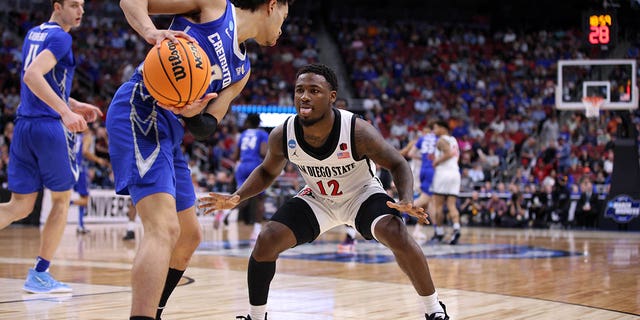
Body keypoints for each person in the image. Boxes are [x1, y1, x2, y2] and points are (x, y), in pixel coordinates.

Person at [200, 64, 449, 320]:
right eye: (299, 90)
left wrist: (406, 198)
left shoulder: (357, 130)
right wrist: (237, 196)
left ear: (332, 97)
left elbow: (397, 162)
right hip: (318, 198)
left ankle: (434, 309)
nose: (304, 96)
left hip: (361, 194)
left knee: (395, 232)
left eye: (314, 90)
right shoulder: (283, 134)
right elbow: (266, 171)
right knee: (267, 240)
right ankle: (256, 315)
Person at [106, 0, 293, 319]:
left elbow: (208, 124)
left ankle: (157, 310)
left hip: (169, 129)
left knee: (189, 235)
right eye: (283, 18)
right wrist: (152, 32)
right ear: (271, 6)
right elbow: (131, 1)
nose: (281, 29)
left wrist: (193, 114)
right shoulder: (214, 6)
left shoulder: (242, 70)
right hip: (140, 109)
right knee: (163, 228)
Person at [0, 0, 102, 293]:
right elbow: (33, 76)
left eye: (82, 5)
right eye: (73, 5)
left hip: (24, 126)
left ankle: (41, 275)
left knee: (18, 206)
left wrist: (73, 103)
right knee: (60, 201)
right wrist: (65, 112)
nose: (80, 11)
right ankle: (40, 274)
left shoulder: (34, 33)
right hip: (48, 129)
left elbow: (36, 81)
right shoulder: (61, 36)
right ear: (57, 6)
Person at [233, 113, 269, 240]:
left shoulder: (243, 134)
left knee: (241, 197)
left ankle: (225, 213)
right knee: (260, 199)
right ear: (258, 123)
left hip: (242, 166)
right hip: (255, 166)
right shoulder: (262, 134)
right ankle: (257, 228)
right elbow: (263, 152)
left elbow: (235, 156)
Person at [71, 127, 109, 234]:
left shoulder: (75, 137)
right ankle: (68, 204)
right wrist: (98, 160)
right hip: (82, 169)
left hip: (73, 168)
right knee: (85, 200)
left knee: (83, 198)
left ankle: (80, 225)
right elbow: (85, 152)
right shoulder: (87, 137)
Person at [430, 120, 462, 245]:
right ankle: (456, 227)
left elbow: (448, 153)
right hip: (455, 173)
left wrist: (436, 162)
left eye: (436, 128)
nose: (434, 131)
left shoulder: (441, 140)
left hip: (443, 173)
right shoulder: (454, 140)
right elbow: (454, 156)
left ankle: (439, 232)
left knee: (438, 205)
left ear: (443, 128)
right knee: (451, 205)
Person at [405, 123, 437, 240]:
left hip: (420, 173)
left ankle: (419, 229)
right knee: (426, 201)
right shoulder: (419, 142)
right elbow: (405, 152)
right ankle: (398, 210)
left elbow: (407, 153)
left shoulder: (421, 141)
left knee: (426, 204)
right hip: (419, 174)